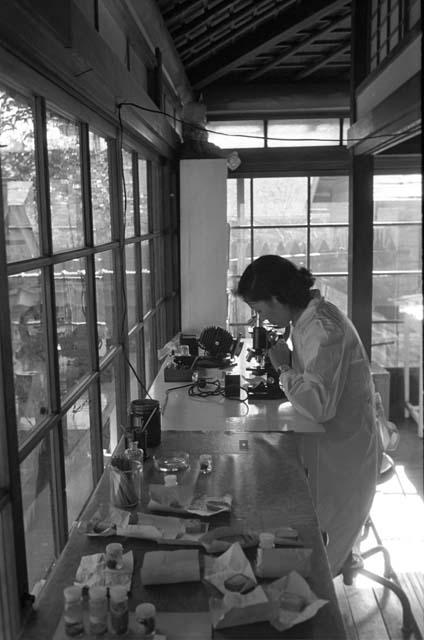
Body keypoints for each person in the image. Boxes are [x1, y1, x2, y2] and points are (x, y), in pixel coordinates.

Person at [236, 254, 382, 576]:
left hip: (343, 453)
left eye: (261, 310)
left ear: (277, 298)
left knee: (317, 557)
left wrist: (284, 367)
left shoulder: (322, 328)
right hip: (331, 441)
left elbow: (318, 405)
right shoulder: (305, 319)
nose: (262, 318)